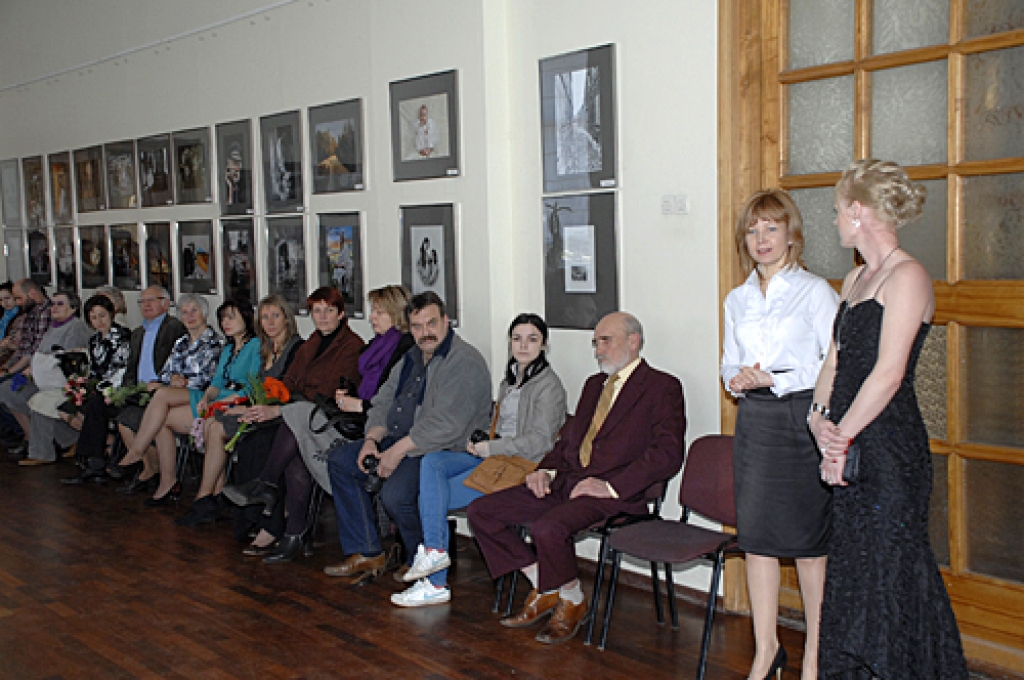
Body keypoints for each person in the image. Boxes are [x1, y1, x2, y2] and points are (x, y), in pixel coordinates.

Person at [810, 159, 968, 678]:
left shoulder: (910, 275)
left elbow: (888, 373)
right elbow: (834, 361)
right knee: (854, 573)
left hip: (890, 450)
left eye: (837, 212)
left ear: (856, 212)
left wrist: (841, 441)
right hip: (849, 439)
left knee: (891, 572)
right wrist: (817, 419)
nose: (834, 223)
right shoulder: (857, 276)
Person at [468, 312, 685, 645]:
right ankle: (550, 585)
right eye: (595, 342)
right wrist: (545, 470)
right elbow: (567, 439)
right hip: (568, 482)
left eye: (605, 341)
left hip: (614, 494)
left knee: (547, 528)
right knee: (482, 512)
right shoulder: (593, 385)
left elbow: (667, 454)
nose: (597, 350)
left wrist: (610, 486)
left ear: (633, 341)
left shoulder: (662, 387)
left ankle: (572, 601)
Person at [721, 189, 839, 680]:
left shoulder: (815, 291)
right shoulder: (737, 297)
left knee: (810, 546)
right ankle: (766, 650)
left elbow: (836, 361)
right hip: (755, 422)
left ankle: (814, 654)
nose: (761, 239)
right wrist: (737, 378)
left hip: (801, 419)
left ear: (792, 234)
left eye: (771, 228)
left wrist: (780, 379)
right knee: (759, 542)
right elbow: (729, 360)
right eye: (753, 229)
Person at [392, 313, 567, 608]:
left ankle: (436, 579)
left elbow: (540, 443)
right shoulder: (510, 379)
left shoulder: (548, 387)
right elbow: (499, 426)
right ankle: (435, 556)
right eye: (517, 338)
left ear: (544, 346)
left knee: (433, 498)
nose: (523, 346)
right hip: (494, 456)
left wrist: (492, 447)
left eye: (532, 339)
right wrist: (480, 441)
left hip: (519, 465)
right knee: (432, 461)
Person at [321, 292, 491, 583]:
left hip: (438, 449)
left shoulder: (464, 361)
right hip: (401, 439)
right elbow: (383, 401)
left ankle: (422, 559)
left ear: (446, 321)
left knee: (396, 496)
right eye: (417, 326)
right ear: (409, 328)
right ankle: (367, 551)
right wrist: (372, 440)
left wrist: (397, 451)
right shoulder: (411, 358)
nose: (425, 332)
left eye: (431, 323)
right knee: (340, 461)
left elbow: (447, 424)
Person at [221, 286, 364, 563]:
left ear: (341, 313)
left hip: (330, 421)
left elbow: (327, 390)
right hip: (300, 415)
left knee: (282, 428)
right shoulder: (312, 342)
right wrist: (276, 399)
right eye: (317, 311)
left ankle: (266, 487)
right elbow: (290, 379)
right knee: (278, 447)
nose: (322, 317)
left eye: (329, 311)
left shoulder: (351, 345)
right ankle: (293, 534)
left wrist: (285, 403)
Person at [176, 297, 299, 527]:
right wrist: (210, 398)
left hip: (267, 414)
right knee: (212, 425)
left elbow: (259, 388)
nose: (270, 322)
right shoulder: (263, 347)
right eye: (265, 317)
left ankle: (205, 498)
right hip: (247, 406)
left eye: (275, 316)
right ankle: (211, 496)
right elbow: (220, 382)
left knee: (217, 426)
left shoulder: (280, 347)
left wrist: (242, 403)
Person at [116, 294, 222, 505]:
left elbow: (209, 379)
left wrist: (183, 381)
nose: (189, 316)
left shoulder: (214, 342)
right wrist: (172, 378)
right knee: (161, 420)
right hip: (178, 398)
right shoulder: (181, 342)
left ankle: (137, 449)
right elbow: (164, 373)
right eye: (184, 312)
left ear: (204, 314)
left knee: (161, 395)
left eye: (194, 311)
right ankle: (168, 481)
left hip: (203, 396)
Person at [101, 287, 186, 487]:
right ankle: (148, 467)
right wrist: (128, 389)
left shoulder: (174, 327)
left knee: (130, 418)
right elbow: (131, 367)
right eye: (142, 302)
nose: (146, 305)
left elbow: (176, 366)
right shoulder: (138, 333)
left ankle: (148, 468)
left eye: (152, 300)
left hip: (164, 390)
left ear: (166, 303)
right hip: (138, 390)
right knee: (121, 415)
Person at [10, 291, 92, 466]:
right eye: (52, 304)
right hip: (42, 378)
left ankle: (42, 452)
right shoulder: (53, 326)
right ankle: (69, 438)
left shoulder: (76, 328)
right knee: (8, 391)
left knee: (40, 401)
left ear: (73, 308)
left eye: (60, 304)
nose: (54, 307)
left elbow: (69, 362)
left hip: (65, 384)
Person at [57, 294, 132, 484]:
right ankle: (101, 449)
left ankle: (93, 462)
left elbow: (121, 371)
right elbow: (93, 370)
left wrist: (99, 389)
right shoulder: (94, 341)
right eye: (94, 317)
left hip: (118, 392)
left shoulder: (123, 336)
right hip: (100, 390)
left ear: (111, 314)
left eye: (102, 315)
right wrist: (83, 386)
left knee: (95, 406)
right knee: (68, 407)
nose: (99, 321)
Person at [0, 278, 53, 453]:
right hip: (27, 365)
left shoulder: (45, 313)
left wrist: (11, 371)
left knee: (6, 388)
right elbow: (25, 350)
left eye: (18, 298)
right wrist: (7, 369)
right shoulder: (30, 313)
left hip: (43, 370)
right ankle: (27, 435)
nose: (16, 303)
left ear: (32, 294)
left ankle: (29, 435)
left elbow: (35, 352)